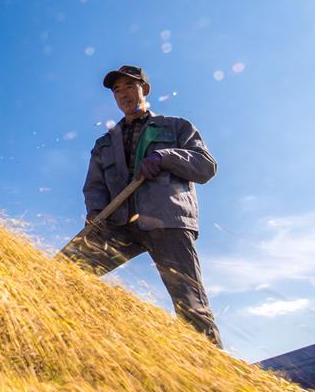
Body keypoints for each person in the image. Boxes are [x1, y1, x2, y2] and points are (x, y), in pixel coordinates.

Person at [62, 65, 222, 347]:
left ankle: (217, 371)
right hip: (119, 223)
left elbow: (205, 167)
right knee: (65, 271)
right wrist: (96, 212)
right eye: (116, 90)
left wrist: (166, 157)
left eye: (128, 86)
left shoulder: (176, 127)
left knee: (190, 302)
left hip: (166, 220)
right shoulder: (104, 144)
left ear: (144, 90)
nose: (122, 94)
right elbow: (95, 186)